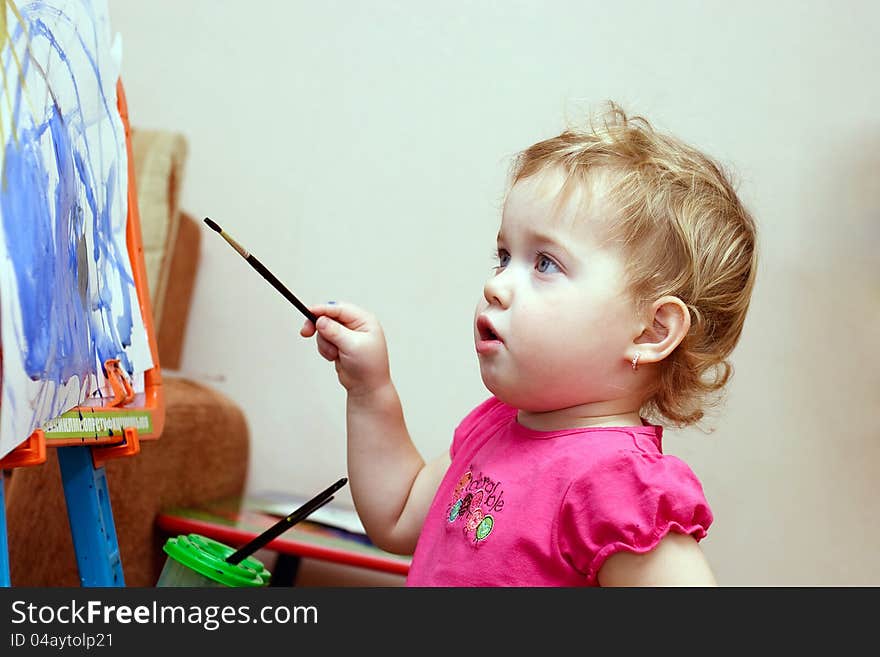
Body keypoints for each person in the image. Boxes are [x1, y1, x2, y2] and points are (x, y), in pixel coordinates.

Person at [300, 101, 757, 586]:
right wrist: (370, 391)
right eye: (503, 257)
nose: (495, 286)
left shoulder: (618, 485)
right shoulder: (496, 425)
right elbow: (398, 513)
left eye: (545, 263)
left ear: (651, 331)